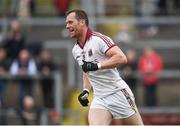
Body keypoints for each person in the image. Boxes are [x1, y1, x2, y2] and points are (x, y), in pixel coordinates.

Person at [65, 9, 143, 125]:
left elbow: (122, 58)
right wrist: (86, 90)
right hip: (100, 98)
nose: (67, 26)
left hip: (118, 93)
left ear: (82, 22)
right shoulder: (75, 50)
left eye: (70, 22)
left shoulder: (98, 40)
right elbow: (86, 70)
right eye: (67, 23)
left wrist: (97, 66)